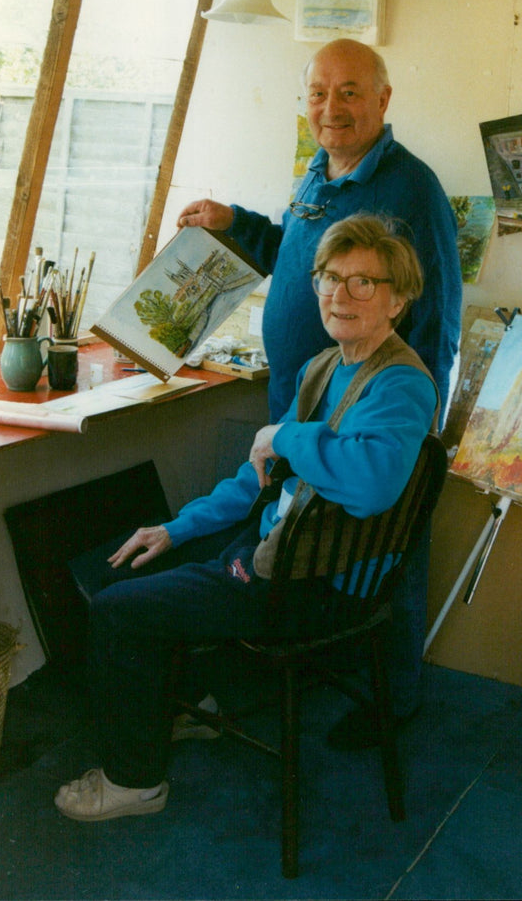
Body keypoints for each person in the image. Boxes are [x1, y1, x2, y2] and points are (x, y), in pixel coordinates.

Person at [55, 216, 438, 822]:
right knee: (119, 564)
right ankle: (186, 704)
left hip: (311, 584)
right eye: (330, 278)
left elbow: (370, 486)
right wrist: (175, 528)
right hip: (278, 547)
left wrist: (284, 432)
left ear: (400, 298)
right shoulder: (326, 367)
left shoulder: (400, 383)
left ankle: (135, 782)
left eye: (364, 282)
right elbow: (257, 479)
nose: (340, 295)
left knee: (118, 611)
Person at [176, 38, 462, 744]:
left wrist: (402, 415)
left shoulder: (409, 190)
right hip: (301, 404)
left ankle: (393, 703)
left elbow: (437, 311)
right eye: (318, 93)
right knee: (302, 532)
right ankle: (310, 663)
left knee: (385, 548)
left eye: (350, 92)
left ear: (384, 100)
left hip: (368, 408)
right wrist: (231, 223)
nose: (331, 108)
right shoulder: (319, 172)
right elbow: (295, 257)